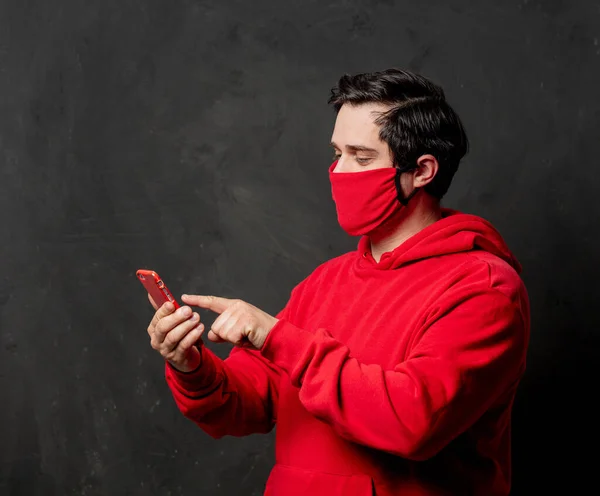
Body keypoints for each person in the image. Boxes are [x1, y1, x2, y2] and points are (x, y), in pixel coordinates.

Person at [146, 68, 530, 496]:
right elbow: (249, 404)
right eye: (337, 153)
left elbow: (414, 423)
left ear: (422, 171)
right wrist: (192, 367)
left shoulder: (485, 288)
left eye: (361, 157)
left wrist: (276, 336)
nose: (339, 171)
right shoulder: (325, 281)